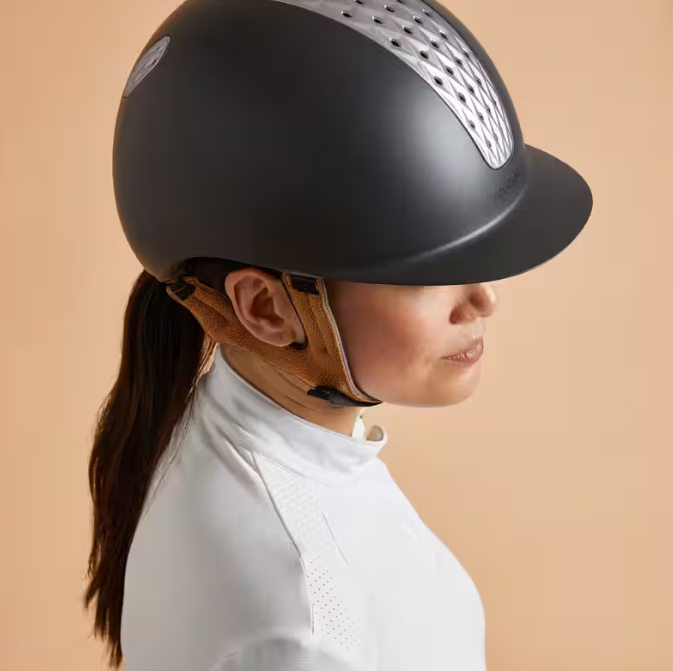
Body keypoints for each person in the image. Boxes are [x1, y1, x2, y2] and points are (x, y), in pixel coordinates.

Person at [84, 0, 593, 669]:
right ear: (266, 309)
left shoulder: (248, 445)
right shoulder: (301, 626)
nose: (482, 300)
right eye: (428, 274)